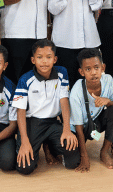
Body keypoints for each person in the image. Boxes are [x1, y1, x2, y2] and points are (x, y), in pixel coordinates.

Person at [12, 39, 80, 175]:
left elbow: (64, 101)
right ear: (33, 60)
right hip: (32, 123)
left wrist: (67, 129)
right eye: (39, 57)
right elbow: (20, 111)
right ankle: (32, 144)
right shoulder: (25, 79)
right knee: (25, 168)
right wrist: (25, 140)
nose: (44, 61)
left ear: (55, 59)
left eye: (48, 57)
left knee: (73, 160)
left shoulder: (62, 73)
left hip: (53, 123)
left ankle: (49, 145)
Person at [49, 0, 105, 85]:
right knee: (68, 80)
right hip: (66, 41)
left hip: (89, 40)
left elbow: (97, 6)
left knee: (90, 80)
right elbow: (53, 9)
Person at [69, 48, 113, 171]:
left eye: (96, 68)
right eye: (88, 69)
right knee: (72, 162)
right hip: (80, 129)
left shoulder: (108, 80)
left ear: (103, 68)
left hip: (94, 127)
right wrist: (84, 155)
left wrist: (108, 101)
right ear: (81, 72)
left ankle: (104, 152)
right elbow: (78, 126)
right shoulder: (76, 92)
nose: (93, 72)